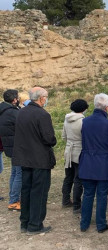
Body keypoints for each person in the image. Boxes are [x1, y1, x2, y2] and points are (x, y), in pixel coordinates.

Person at [12, 87, 56, 235]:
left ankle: (25, 222)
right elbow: (49, 138)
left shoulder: (21, 112)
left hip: (24, 157)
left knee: (26, 191)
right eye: (46, 97)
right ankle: (35, 225)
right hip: (39, 159)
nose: (46, 99)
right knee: (39, 192)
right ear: (41, 98)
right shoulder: (42, 114)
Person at [79, 93, 108, 233]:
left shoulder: (85, 121)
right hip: (104, 163)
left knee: (88, 194)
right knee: (102, 195)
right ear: (107, 108)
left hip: (87, 161)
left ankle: (84, 223)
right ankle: (100, 224)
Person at [61, 99, 89, 213]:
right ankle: (77, 206)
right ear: (84, 109)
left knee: (68, 177)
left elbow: (64, 136)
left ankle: (66, 200)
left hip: (68, 150)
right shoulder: (83, 121)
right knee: (78, 179)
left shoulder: (67, 119)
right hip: (79, 151)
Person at [0, 89, 21, 210]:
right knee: (19, 174)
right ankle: (14, 200)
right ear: (14, 100)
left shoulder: (3, 110)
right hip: (16, 146)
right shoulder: (13, 112)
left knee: (14, 172)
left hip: (9, 147)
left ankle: (13, 198)